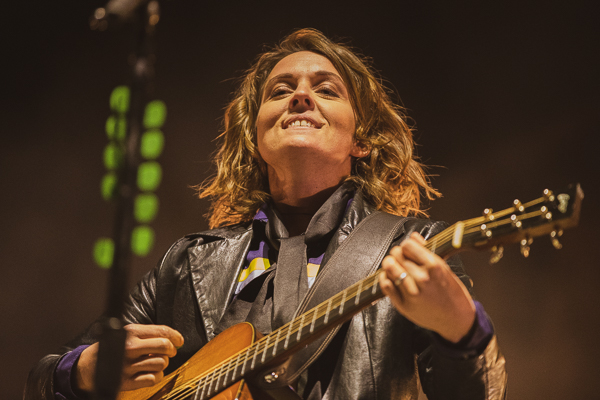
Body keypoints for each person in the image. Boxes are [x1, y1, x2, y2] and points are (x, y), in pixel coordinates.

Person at [25, 28, 507, 399]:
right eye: (280, 91)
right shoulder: (188, 264)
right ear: (255, 139)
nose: (301, 95)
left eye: (326, 89)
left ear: (360, 141)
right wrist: (79, 372)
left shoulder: (415, 250)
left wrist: (463, 330)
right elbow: (44, 378)